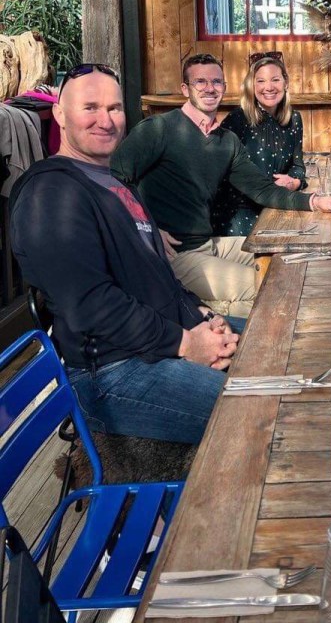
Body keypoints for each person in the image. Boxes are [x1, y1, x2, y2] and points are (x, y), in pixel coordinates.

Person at [10, 63, 243, 444]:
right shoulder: (50, 193)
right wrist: (187, 343)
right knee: (258, 408)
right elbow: (90, 305)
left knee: (274, 346)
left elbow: (158, 277)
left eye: (114, 108)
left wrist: (204, 316)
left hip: (159, 340)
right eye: (90, 108)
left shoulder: (113, 183)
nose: (105, 120)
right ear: (60, 114)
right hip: (111, 374)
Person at [111, 53, 331, 317]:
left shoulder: (226, 141)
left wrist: (315, 201)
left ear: (224, 87)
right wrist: (146, 227)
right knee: (270, 289)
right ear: (185, 89)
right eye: (200, 82)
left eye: (216, 82)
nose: (210, 88)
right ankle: (192, 312)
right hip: (174, 254)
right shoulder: (159, 128)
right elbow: (111, 178)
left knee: (291, 261)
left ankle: (206, 307)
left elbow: (262, 189)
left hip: (209, 243)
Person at [212, 53, 307, 236]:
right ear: (252, 85)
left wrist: (294, 183)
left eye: (275, 80)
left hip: (279, 206)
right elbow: (220, 176)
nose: (268, 87)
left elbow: (298, 166)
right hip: (240, 214)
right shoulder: (237, 120)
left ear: (286, 83)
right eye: (261, 81)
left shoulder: (294, 119)